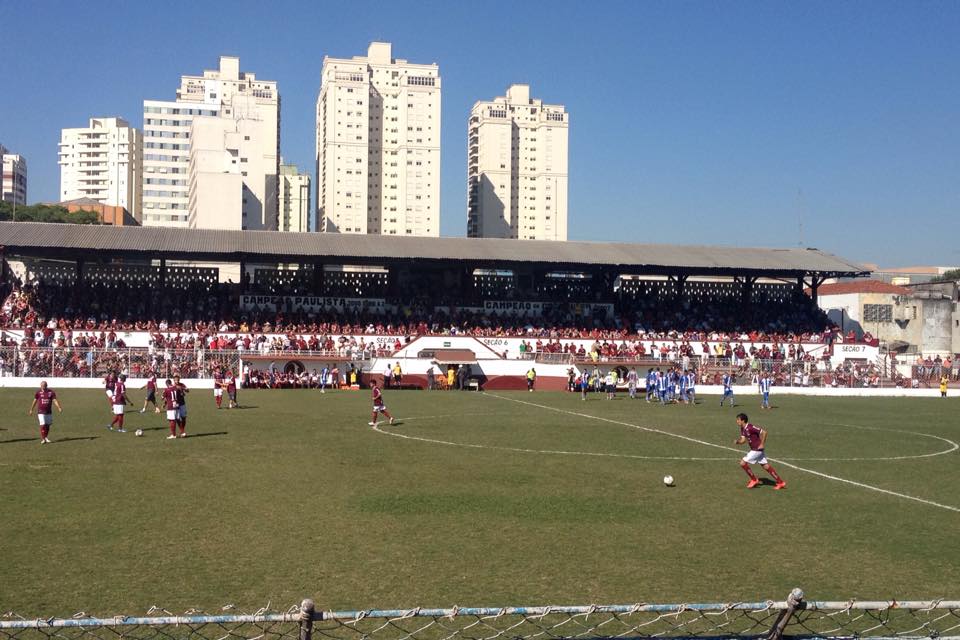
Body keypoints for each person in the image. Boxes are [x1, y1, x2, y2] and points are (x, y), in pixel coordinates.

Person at [734, 413, 786, 490]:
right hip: (755, 449)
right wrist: (738, 442)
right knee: (766, 466)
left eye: (738, 420)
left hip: (757, 449)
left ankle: (754, 480)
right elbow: (743, 440)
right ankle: (781, 482)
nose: (737, 421)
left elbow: (764, 432)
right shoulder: (742, 428)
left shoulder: (750, 427)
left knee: (742, 463)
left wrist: (762, 444)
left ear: (743, 420)